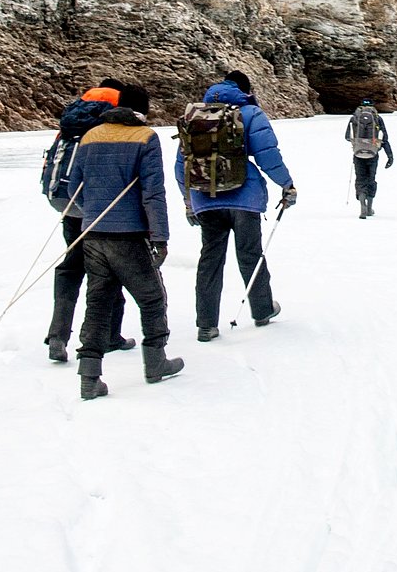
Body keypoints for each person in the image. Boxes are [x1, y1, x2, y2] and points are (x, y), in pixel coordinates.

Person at [68, 82, 182, 400]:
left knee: (98, 303)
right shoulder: (145, 137)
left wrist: (92, 215)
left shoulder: (90, 136)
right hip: (129, 235)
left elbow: (74, 187)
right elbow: (153, 193)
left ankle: (89, 376)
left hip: (92, 234)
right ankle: (156, 361)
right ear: (143, 109)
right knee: (152, 298)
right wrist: (160, 237)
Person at [174, 70, 297, 341]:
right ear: (245, 89)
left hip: (206, 198)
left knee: (210, 260)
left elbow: (181, 164)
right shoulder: (250, 113)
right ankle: (262, 309)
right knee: (249, 254)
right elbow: (268, 155)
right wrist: (286, 185)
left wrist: (188, 201)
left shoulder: (194, 116)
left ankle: (206, 324)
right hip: (244, 197)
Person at [39, 81, 135, 363]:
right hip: (98, 207)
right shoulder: (113, 116)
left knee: (72, 266)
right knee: (108, 269)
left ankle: (57, 335)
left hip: (67, 202)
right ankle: (108, 335)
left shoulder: (74, 115)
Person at [344, 97, 393, 219]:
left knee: (360, 179)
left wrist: (357, 143)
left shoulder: (354, 118)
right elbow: (384, 138)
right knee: (371, 179)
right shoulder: (377, 118)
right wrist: (390, 156)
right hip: (373, 154)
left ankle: (362, 206)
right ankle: (370, 207)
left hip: (358, 153)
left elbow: (346, 137)